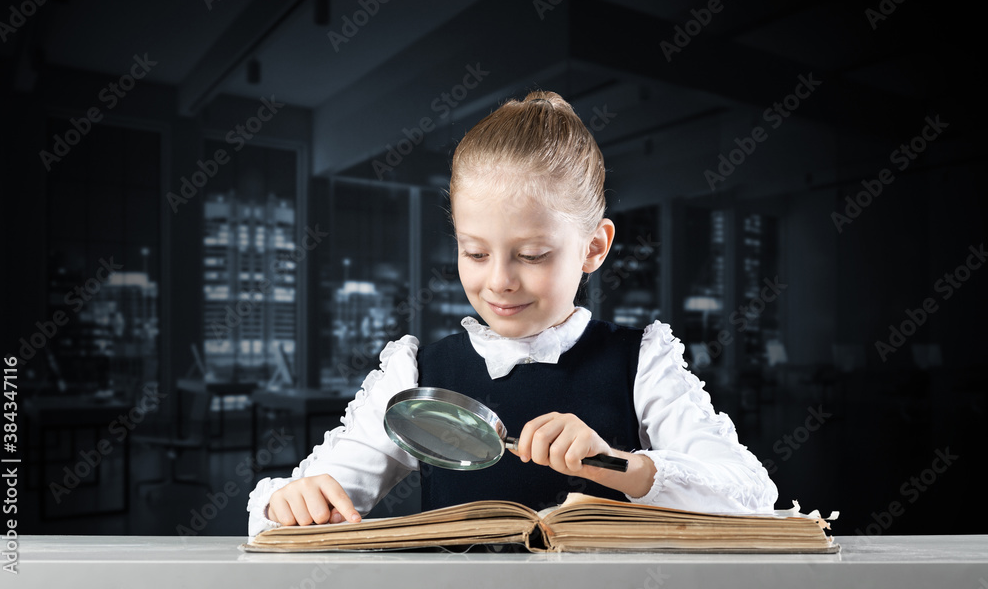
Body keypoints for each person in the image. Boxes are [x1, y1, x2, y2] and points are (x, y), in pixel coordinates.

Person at [246, 90, 778, 539]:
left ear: (594, 247)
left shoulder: (642, 362)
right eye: (475, 253)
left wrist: (619, 463)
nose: (499, 280)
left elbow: (749, 493)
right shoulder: (415, 377)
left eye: (532, 255)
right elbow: (287, 506)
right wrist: (290, 503)